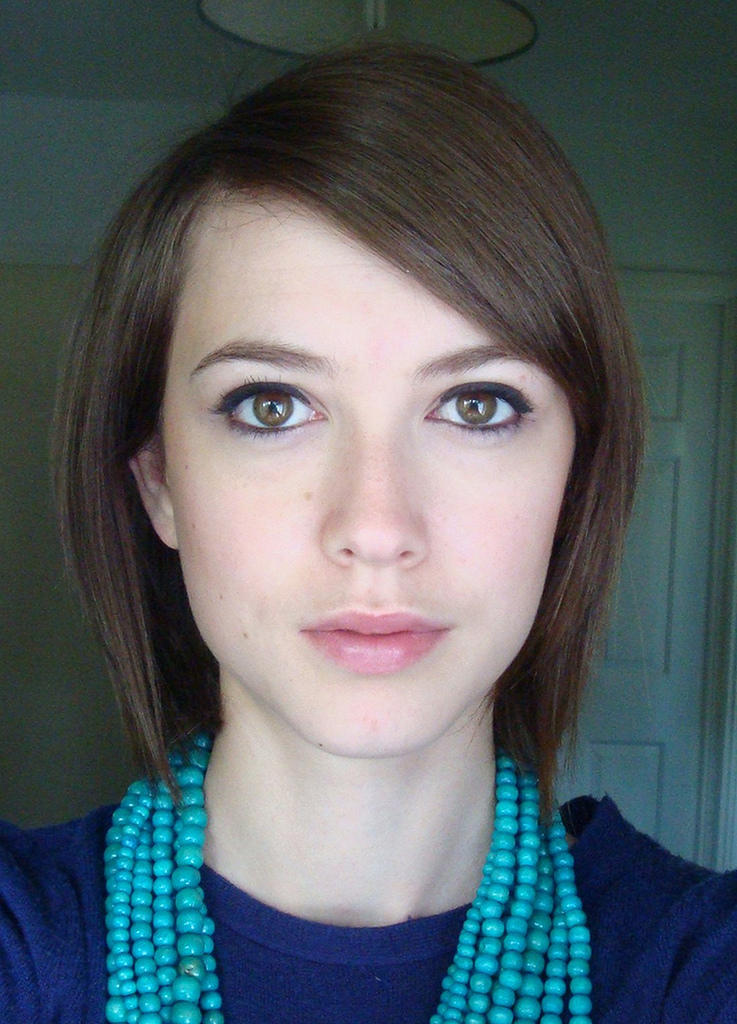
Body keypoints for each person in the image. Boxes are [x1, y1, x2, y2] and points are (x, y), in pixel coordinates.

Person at [1, 41, 735, 1024]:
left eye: (476, 406)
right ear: (160, 482)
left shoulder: (694, 968)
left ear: (573, 481)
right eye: (269, 405)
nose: (376, 528)